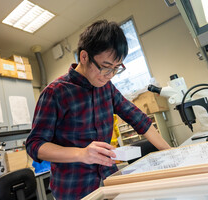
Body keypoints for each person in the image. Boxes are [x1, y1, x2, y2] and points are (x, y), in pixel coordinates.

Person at [26, 19, 171, 199]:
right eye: (105, 67)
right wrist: (81, 153)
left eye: (116, 69)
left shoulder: (106, 88)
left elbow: (138, 118)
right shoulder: (55, 93)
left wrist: (170, 152)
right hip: (74, 189)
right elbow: (35, 145)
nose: (109, 76)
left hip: (109, 179)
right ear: (84, 57)